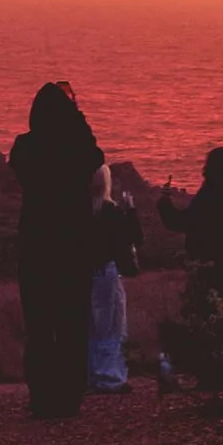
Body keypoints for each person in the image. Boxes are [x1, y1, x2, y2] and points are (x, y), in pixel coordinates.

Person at [10, 80, 104, 418]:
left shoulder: (24, 147)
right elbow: (95, 155)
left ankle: (42, 396)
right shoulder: (77, 147)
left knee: (39, 325)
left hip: (36, 243)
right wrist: (77, 115)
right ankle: (69, 396)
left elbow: (21, 169)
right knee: (72, 322)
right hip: (73, 244)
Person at [159, 146, 223, 298]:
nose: (203, 171)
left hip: (211, 269)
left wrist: (164, 204)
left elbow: (182, 222)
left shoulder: (210, 199)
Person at [88, 162, 144, 391]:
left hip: (81, 272)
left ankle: (89, 375)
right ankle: (109, 377)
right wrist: (131, 210)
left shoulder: (76, 211)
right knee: (111, 325)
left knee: (88, 325)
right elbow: (135, 237)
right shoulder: (110, 211)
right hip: (106, 273)